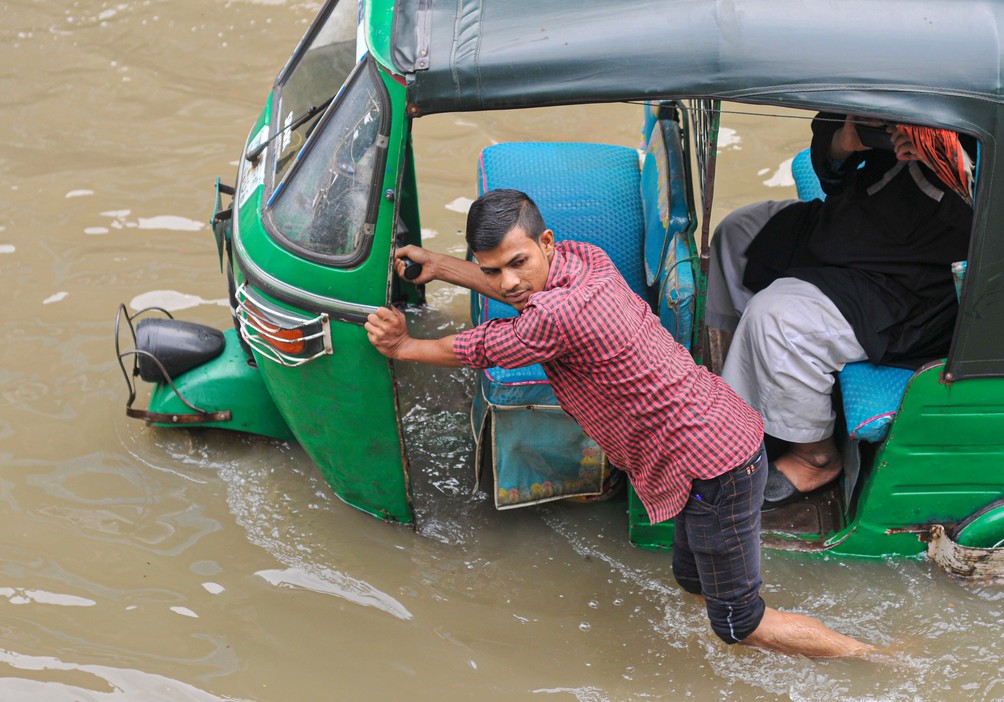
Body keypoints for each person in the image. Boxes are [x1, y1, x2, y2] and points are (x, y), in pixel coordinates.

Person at [365, 188, 874, 659]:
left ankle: (876, 658)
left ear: (546, 242)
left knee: (741, 624)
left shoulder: (557, 317)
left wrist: (404, 346)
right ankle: (724, 617)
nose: (508, 282)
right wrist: (441, 266)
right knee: (691, 579)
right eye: (491, 270)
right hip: (712, 442)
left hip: (715, 467)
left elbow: (477, 347)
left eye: (517, 263)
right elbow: (521, 294)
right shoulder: (584, 260)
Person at [705, 113, 973, 509]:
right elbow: (833, 165)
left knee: (776, 318)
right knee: (738, 232)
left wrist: (946, 163)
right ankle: (754, 390)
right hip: (857, 223)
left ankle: (814, 457)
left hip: (914, 278)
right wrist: (845, 143)